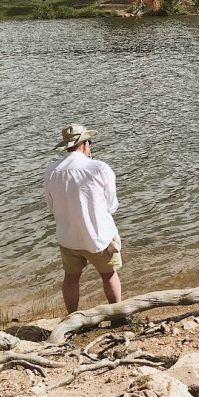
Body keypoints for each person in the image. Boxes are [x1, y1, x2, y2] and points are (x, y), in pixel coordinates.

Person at [45, 124, 123, 314]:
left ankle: (72, 317)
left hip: (67, 236)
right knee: (108, 274)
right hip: (99, 236)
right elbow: (112, 205)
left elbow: (51, 206)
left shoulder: (51, 171)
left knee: (71, 278)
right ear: (85, 144)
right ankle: (118, 316)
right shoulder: (99, 168)